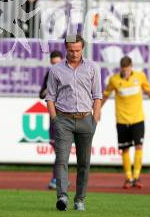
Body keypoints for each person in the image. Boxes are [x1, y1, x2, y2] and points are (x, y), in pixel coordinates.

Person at [45, 34, 102, 212]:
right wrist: (55, 119)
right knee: (61, 160)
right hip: (63, 120)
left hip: (86, 119)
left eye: (77, 50)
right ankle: (62, 196)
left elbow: (97, 95)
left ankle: (80, 200)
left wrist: (95, 118)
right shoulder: (56, 70)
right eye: (71, 50)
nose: (74, 54)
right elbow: (50, 97)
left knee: (84, 163)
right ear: (65, 49)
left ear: (82, 48)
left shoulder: (93, 67)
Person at [102, 56, 150, 189]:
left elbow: (148, 90)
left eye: (127, 70)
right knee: (125, 149)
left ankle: (137, 176)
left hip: (138, 119)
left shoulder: (140, 77)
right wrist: (98, 110)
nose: (126, 73)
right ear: (120, 69)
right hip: (122, 120)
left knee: (139, 146)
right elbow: (106, 95)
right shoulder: (114, 80)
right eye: (123, 70)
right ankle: (128, 178)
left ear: (131, 68)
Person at [39, 50, 64, 190]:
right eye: (53, 63)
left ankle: (58, 178)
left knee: (62, 150)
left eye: (58, 63)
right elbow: (41, 94)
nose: (55, 66)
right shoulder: (49, 75)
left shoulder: (69, 74)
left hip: (66, 117)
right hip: (54, 118)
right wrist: (48, 90)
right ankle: (58, 178)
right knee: (59, 150)